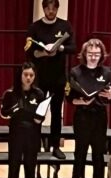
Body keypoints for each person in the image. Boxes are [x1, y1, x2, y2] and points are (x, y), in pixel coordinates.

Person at [25, 0, 75, 160]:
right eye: (48, 8)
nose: (51, 11)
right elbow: (29, 52)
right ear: (44, 9)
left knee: (55, 112)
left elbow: (73, 48)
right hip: (40, 76)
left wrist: (60, 48)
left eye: (54, 8)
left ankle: (55, 146)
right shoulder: (35, 27)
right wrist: (44, 53)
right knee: (38, 111)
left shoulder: (65, 26)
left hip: (58, 77)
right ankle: (34, 143)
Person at [66, 39, 111, 178]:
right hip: (82, 116)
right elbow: (69, 98)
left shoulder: (106, 72)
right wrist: (81, 102)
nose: (93, 57)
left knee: (98, 155)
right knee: (80, 154)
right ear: (84, 54)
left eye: (97, 54)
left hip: (99, 116)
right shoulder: (75, 72)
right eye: (90, 54)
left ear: (101, 55)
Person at [0, 62, 45, 178]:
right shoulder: (11, 93)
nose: (28, 78)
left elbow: (42, 115)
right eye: (25, 75)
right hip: (16, 135)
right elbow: (3, 113)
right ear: (20, 76)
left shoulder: (38, 94)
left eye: (31, 75)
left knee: (30, 168)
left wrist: (40, 119)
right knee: (14, 167)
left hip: (32, 135)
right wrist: (12, 111)